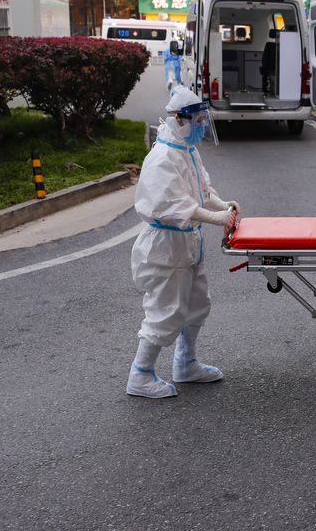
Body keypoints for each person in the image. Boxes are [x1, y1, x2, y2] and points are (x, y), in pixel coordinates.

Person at [126, 86, 240, 399]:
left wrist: (222, 205)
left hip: (189, 243)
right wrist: (216, 217)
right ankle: (140, 375)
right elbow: (174, 205)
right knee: (165, 311)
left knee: (196, 305)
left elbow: (201, 191)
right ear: (179, 119)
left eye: (204, 119)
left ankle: (186, 363)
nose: (202, 125)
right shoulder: (163, 157)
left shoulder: (187, 149)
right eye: (198, 120)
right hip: (167, 246)